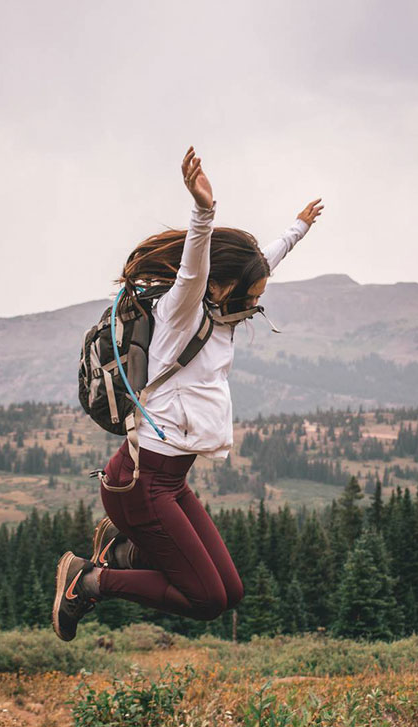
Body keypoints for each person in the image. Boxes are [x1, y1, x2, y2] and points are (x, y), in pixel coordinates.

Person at [52, 146, 324, 641]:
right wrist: (203, 212)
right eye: (254, 294)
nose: (258, 302)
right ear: (220, 288)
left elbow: (264, 262)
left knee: (231, 593)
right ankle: (88, 580)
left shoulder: (225, 315)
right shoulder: (184, 313)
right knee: (206, 600)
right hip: (141, 482)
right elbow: (196, 268)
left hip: (170, 482)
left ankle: (124, 550)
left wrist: (298, 229)